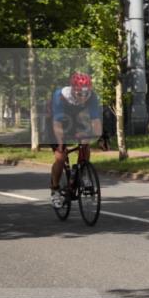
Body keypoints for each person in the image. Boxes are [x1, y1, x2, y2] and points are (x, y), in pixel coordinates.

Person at [50, 72, 102, 208]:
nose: (84, 96)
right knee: (60, 157)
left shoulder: (92, 96)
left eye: (86, 92)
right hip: (56, 122)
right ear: (73, 89)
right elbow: (57, 124)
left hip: (74, 120)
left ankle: (83, 171)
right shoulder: (60, 96)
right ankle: (55, 189)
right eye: (80, 93)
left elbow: (95, 119)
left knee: (85, 142)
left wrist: (99, 136)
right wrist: (61, 144)